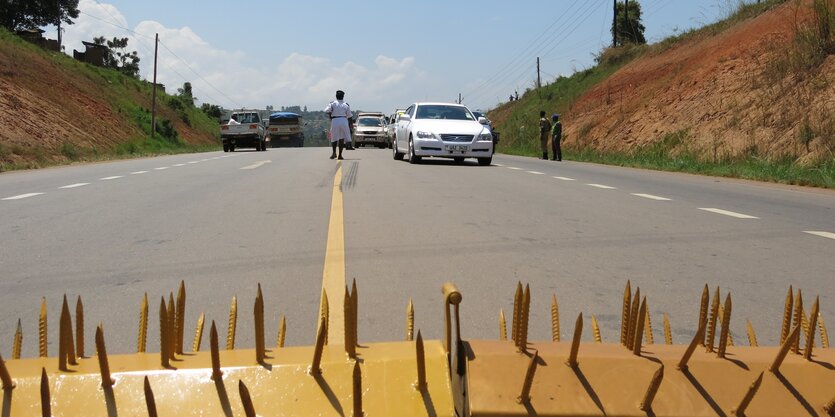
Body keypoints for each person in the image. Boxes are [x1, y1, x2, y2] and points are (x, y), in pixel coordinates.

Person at [324, 90, 353, 160]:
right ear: (343, 97)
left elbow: (326, 110)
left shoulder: (332, 103)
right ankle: (340, 155)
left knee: (334, 138)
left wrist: (330, 114)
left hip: (335, 120)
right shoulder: (346, 104)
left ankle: (334, 153)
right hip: (343, 120)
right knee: (341, 138)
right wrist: (351, 124)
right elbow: (350, 116)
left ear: (336, 96)